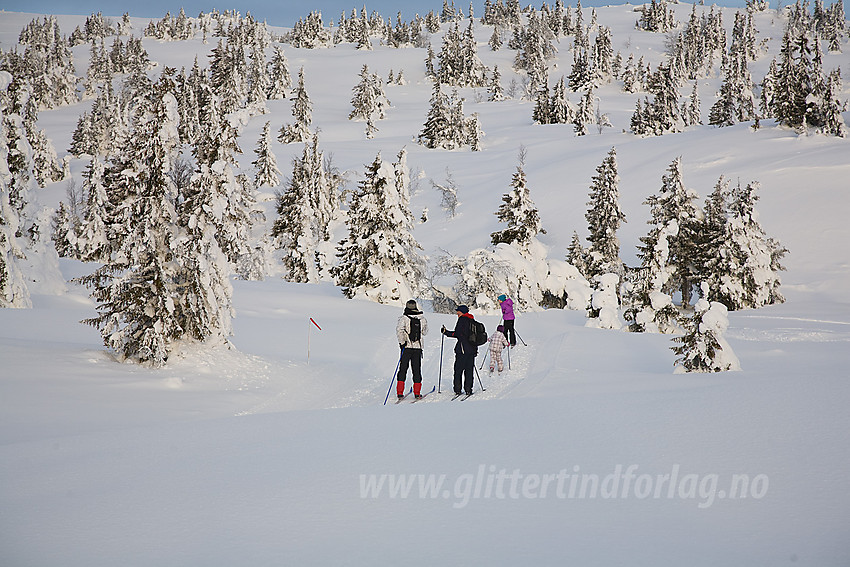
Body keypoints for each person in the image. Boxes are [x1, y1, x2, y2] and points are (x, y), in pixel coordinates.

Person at [441, 305, 477, 396]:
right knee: (469, 371)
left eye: (458, 311)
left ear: (462, 312)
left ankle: (457, 389)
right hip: (472, 350)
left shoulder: (462, 320)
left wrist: (446, 332)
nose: (457, 313)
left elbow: (457, 334)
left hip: (462, 350)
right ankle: (468, 389)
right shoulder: (472, 320)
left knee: (458, 370)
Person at [396, 299, 428, 399]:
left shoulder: (404, 318)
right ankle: (417, 393)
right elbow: (425, 332)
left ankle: (400, 392)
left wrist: (402, 343)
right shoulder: (422, 318)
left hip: (406, 348)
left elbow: (399, 331)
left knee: (403, 369)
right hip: (417, 348)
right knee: (416, 370)